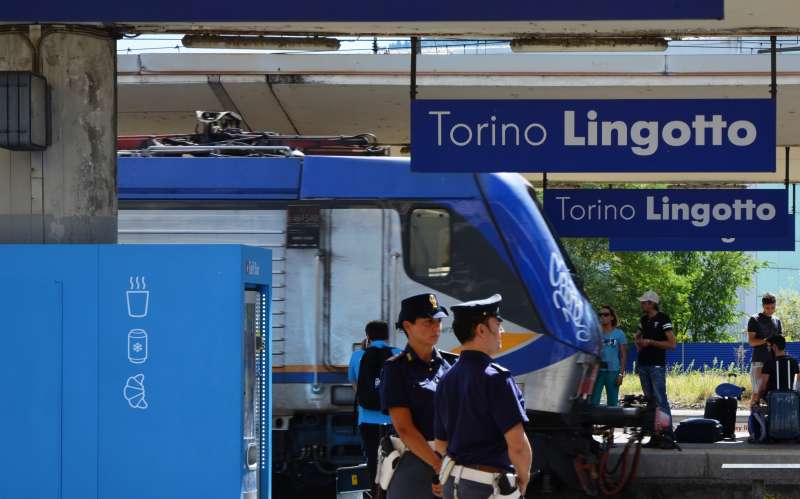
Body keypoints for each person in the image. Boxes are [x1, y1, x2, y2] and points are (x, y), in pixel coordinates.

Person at [434, 294, 532, 499]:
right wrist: (523, 478)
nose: (501, 331)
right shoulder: (497, 378)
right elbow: (517, 445)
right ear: (481, 330)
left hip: (451, 483)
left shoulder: (446, 378)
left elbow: (441, 443)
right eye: (497, 324)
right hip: (486, 487)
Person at [380, 293, 455, 499]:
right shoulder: (396, 368)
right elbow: (404, 428)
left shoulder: (449, 366)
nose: (436, 327)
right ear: (408, 325)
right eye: (428, 322)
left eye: (438, 321)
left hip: (449, 462)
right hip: (414, 462)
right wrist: (438, 466)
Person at [348, 320, 402, 497]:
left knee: (373, 461)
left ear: (367, 336)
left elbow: (355, 384)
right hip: (393, 420)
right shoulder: (398, 354)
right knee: (396, 461)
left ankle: (375, 493)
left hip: (367, 419)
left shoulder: (358, 356)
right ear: (388, 336)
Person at [634, 291, 677, 449]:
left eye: (644, 302)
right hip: (643, 364)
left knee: (660, 400)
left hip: (656, 365)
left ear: (651, 303)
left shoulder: (663, 319)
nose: (641, 304)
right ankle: (654, 435)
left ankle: (667, 435)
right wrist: (638, 340)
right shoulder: (643, 319)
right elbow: (638, 337)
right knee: (650, 401)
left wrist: (651, 341)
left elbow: (672, 344)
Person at [591, 305, 628, 407]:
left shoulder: (619, 334)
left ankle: (612, 422)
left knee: (612, 403)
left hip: (613, 372)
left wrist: (621, 375)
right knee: (593, 401)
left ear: (612, 317)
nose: (602, 317)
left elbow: (623, 355)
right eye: (600, 315)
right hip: (597, 372)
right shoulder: (595, 333)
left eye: (606, 314)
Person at [748, 293, 782, 400]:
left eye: (773, 307)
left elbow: (780, 342)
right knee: (757, 393)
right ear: (763, 306)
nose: (770, 310)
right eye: (767, 308)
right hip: (759, 362)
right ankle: (753, 417)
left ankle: (770, 416)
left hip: (773, 363)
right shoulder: (754, 319)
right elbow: (751, 342)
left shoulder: (777, 321)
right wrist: (766, 341)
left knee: (772, 394)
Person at [752, 334, 799, 406]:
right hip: (790, 399)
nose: (768, 349)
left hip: (773, 399)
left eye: (769, 346)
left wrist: (757, 400)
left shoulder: (769, 363)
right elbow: (798, 382)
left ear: (774, 347)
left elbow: (763, 387)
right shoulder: (793, 362)